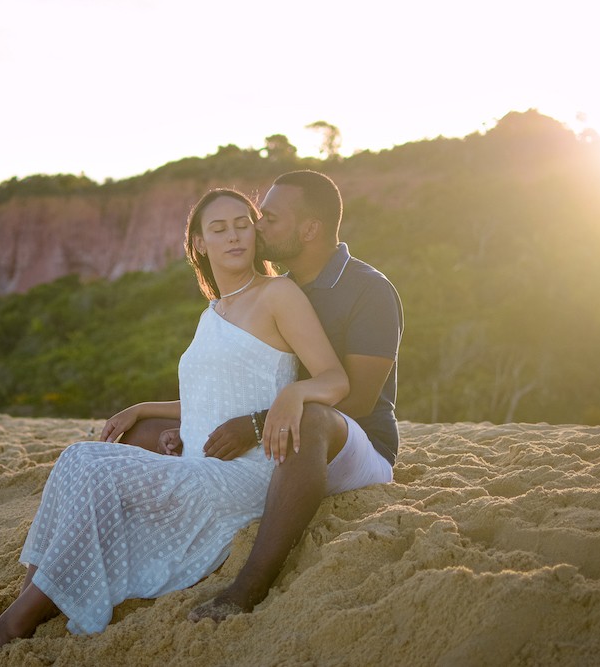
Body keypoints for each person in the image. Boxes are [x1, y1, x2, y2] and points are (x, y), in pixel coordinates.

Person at [0, 188, 350, 658]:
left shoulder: (278, 294)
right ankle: (31, 599)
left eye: (242, 224)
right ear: (200, 244)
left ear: (255, 232)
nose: (233, 236)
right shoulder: (213, 314)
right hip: (200, 464)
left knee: (96, 466)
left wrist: (293, 393)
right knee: (75, 458)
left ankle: (11, 628)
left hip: (247, 473)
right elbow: (210, 400)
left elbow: (334, 378)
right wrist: (147, 408)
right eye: (218, 229)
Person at [124, 170, 403, 622]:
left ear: (309, 229)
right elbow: (235, 390)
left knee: (309, 420)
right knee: (145, 433)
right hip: (280, 434)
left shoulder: (369, 291)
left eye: (268, 218)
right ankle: (159, 550)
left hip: (354, 446)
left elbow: (358, 402)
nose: (255, 228)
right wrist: (154, 412)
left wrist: (257, 423)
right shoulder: (275, 290)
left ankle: (248, 586)